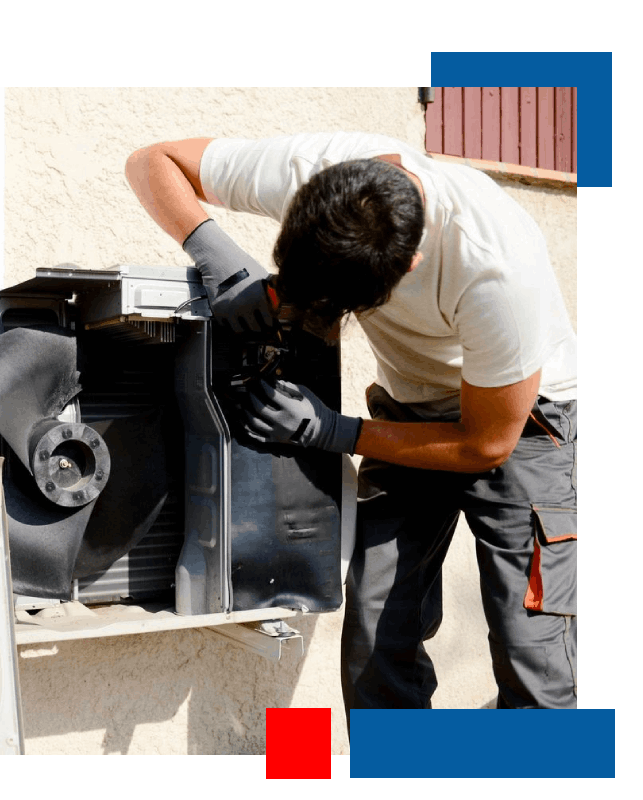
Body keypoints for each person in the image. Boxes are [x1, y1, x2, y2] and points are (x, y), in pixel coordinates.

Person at [124, 133, 577, 721]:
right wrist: (219, 256)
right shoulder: (316, 172)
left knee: (532, 657)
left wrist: (335, 433)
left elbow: (485, 444)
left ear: (406, 268)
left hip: (522, 426)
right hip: (409, 410)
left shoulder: (496, 268)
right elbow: (151, 161)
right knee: (375, 635)